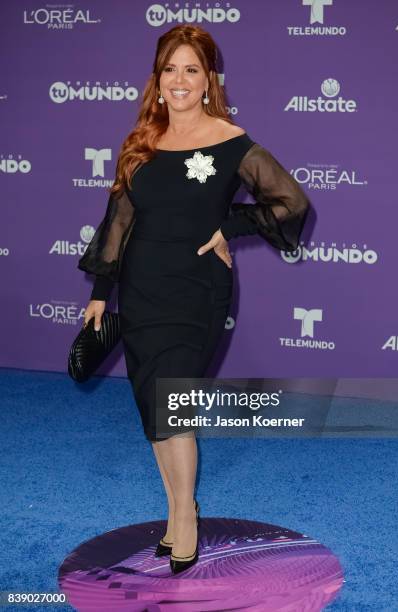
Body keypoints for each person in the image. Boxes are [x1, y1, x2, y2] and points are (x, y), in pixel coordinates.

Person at [77, 24, 310, 575]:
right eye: (170, 69)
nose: (179, 80)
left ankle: (184, 519)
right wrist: (100, 293)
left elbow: (290, 202)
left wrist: (231, 226)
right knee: (151, 408)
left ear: (208, 81)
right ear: (157, 80)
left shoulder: (231, 141)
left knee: (170, 405)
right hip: (141, 288)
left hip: (197, 291)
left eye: (191, 70)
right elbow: (120, 219)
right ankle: (181, 508)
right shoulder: (141, 142)